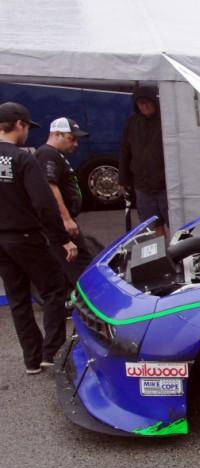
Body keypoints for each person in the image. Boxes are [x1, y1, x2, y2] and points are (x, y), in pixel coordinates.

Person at [0, 102, 77, 374]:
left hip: (2, 240)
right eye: (26, 127)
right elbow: (44, 203)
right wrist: (62, 238)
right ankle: (52, 352)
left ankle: (32, 359)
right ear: (19, 124)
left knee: (18, 298)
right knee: (54, 289)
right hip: (26, 235)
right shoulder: (24, 158)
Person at [36, 117, 96, 287]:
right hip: (60, 223)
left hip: (63, 221)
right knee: (81, 265)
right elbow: (50, 186)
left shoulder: (55, 155)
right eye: (72, 139)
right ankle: (87, 303)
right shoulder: (47, 154)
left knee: (79, 262)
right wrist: (66, 218)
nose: (75, 144)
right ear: (56, 134)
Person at [119, 85, 168, 237]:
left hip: (166, 185)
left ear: (155, 101)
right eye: (140, 103)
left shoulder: (166, 121)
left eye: (147, 102)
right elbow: (125, 151)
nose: (144, 106)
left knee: (175, 222)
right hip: (142, 185)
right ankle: (162, 256)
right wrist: (123, 179)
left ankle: (181, 254)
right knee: (152, 225)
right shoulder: (132, 123)